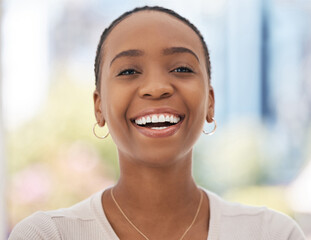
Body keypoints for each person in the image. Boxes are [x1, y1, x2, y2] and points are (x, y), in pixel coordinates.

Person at [9, 6, 306, 240]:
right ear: (99, 107)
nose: (156, 87)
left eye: (180, 68)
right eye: (128, 71)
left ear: (210, 103)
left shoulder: (271, 233)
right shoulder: (48, 235)